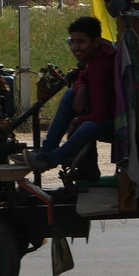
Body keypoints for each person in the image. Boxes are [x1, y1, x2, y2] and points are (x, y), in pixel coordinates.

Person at [20, 16, 116, 179]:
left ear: (96, 42)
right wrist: (82, 88)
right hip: (105, 115)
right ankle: (47, 149)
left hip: (118, 124)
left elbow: (100, 116)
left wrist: (77, 121)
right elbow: (81, 76)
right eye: (72, 41)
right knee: (70, 94)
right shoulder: (95, 57)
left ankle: (48, 159)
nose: (75, 47)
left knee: (86, 127)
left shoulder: (100, 67)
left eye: (81, 42)